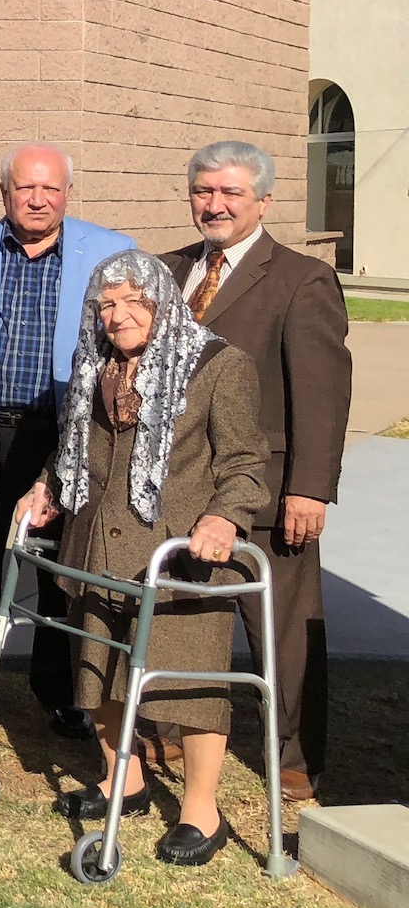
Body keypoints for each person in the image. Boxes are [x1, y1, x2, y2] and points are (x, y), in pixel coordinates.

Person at [17, 251, 268, 865]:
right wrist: (46, 486)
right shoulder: (96, 364)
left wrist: (224, 516)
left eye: (135, 302)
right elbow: (72, 443)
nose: (117, 316)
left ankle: (200, 811)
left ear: (164, 304)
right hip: (100, 540)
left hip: (181, 552)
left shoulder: (218, 364)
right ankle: (121, 779)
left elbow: (244, 462)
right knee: (97, 667)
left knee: (189, 682)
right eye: (106, 304)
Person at [161, 141, 350, 801]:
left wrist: (309, 487)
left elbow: (322, 393)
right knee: (179, 612)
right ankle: (170, 726)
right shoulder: (164, 269)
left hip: (268, 490)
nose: (214, 204)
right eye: (204, 191)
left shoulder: (301, 278)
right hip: (176, 485)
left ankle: (295, 756)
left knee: (283, 629)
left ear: (263, 201)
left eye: (230, 193)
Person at [0, 143, 134, 735]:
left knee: (63, 568)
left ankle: (63, 693)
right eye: (25, 188)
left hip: (66, 436)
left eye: (50, 189)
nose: (37, 199)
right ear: (3, 191)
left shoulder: (111, 253)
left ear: (67, 193)